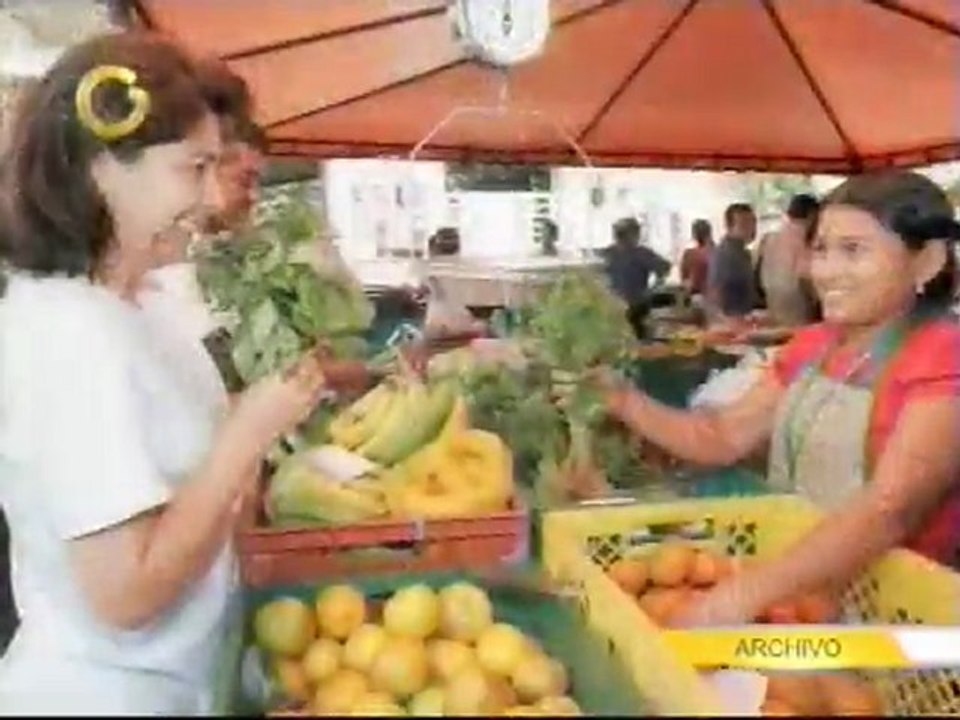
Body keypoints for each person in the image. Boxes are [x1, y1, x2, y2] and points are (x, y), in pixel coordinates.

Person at [0, 32, 330, 713]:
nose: (213, 198)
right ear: (103, 168)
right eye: (193, 167)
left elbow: (186, 496)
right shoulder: (67, 333)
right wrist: (245, 437)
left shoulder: (144, 306)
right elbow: (126, 594)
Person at [589, 170, 960, 627]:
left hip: (898, 616)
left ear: (927, 262)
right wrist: (620, 398)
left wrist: (743, 594)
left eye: (853, 251)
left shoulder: (945, 354)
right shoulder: (815, 345)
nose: (823, 271)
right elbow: (722, 435)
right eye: (820, 248)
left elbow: (890, 509)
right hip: (798, 596)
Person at [600, 217, 671, 338]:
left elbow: (665, 268)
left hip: (629, 308)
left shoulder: (608, 254)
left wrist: (652, 289)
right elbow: (665, 268)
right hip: (625, 307)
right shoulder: (638, 253)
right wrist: (653, 289)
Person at [757, 193, 820, 327]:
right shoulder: (804, 239)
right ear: (812, 214)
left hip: (774, 305)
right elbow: (805, 278)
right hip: (798, 309)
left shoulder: (770, 238)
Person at [707, 202, 759, 320]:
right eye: (744, 224)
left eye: (753, 223)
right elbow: (716, 293)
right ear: (729, 227)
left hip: (744, 318)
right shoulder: (724, 254)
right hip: (731, 322)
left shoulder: (744, 253)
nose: (751, 229)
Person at [679, 218, 713, 297]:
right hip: (717, 298)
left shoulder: (689, 254)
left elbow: (684, 280)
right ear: (709, 233)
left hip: (696, 296)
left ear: (694, 235)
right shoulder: (719, 253)